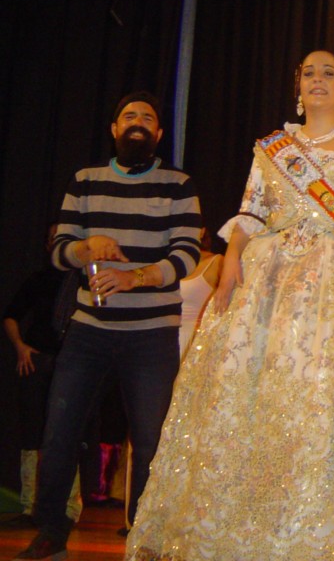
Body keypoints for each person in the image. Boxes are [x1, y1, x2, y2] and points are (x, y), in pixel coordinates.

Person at [125, 51, 334, 561]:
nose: (317, 80)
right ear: (297, 86)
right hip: (268, 290)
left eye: (328, 73)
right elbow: (249, 214)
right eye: (309, 73)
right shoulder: (272, 150)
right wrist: (232, 260)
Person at [13, 92, 202, 561]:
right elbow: (60, 250)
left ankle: (144, 536)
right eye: (129, 116)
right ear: (115, 129)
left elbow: (187, 254)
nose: (138, 122)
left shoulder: (178, 185)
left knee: (152, 439)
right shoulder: (84, 181)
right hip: (88, 330)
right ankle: (52, 529)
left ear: (158, 133)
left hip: (152, 334)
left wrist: (136, 276)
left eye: (147, 118)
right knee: (59, 430)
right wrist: (86, 246)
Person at [1, 224, 82, 531]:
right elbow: (11, 315)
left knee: (67, 434)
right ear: (49, 246)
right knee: (32, 433)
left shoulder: (86, 279)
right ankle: (29, 505)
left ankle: (69, 507)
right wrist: (20, 346)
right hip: (38, 362)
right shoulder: (39, 279)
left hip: (72, 364)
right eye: (53, 239)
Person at [176, 227, 222, 357]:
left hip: (194, 339)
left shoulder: (217, 262)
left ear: (202, 231)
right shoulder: (162, 265)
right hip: (162, 336)